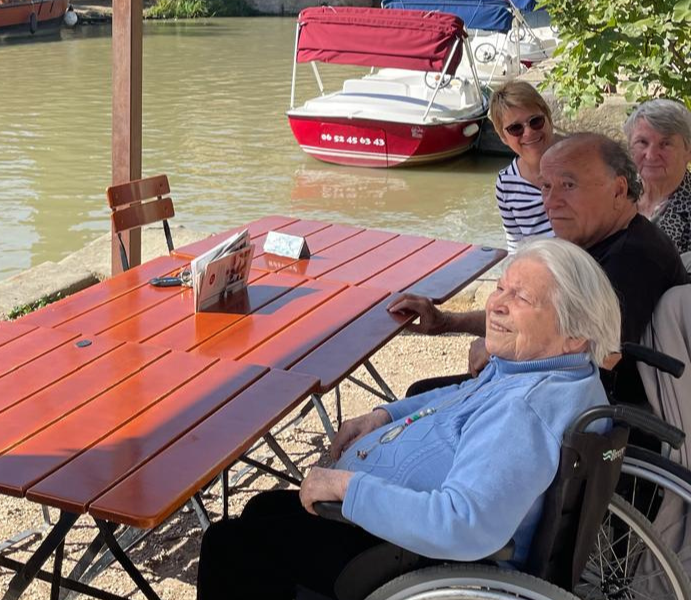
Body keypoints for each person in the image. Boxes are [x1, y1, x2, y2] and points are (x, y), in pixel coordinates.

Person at [197, 238, 618, 600]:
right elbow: (457, 397)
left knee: (229, 545)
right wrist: (384, 415)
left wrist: (347, 486)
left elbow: (465, 524)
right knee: (262, 509)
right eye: (501, 288)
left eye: (521, 298)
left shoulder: (524, 411)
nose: (496, 305)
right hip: (401, 532)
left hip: (409, 557)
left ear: (575, 330)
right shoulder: (556, 370)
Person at [391, 134, 688, 409]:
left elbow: (597, 357)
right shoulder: (598, 242)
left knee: (421, 399)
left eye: (568, 186)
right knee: (422, 397)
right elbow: (539, 319)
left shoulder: (632, 260)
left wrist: (499, 351)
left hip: (593, 417)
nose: (550, 202)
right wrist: (447, 321)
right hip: (562, 394)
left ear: (619, 190)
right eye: (546, 186)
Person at [489, 81, 558, 252]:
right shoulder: (506, 184)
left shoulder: (580, 161)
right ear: (503, 137)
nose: (528, 132)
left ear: (548, 118)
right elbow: (516, 247)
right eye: (515, 128)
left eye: (535, 121)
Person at [624, 99, 691, 256]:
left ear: (688, 151)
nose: (651, 155)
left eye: (665, 144)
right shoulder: (616, 196)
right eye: (642, 142)